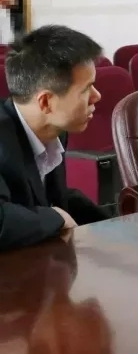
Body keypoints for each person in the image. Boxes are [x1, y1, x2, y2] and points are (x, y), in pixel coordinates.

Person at [0, 25, 109, 252]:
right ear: (46, 102)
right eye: (86, 89)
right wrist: (56, 218)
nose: (97, 96)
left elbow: (49, 199)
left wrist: (116, 225)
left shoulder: (54, 130)